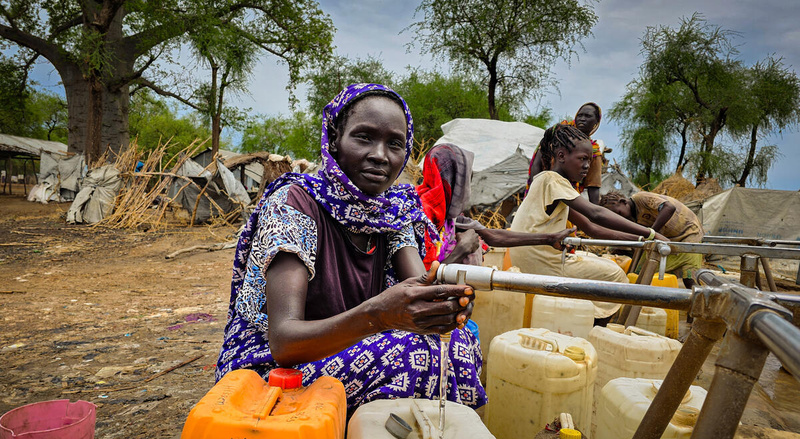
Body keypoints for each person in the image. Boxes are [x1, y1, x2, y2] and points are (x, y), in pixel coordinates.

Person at [216, 83, 487, 414]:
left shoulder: (392, 213)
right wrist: (377, 315)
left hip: (352, 343)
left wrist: (442, 306)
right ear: (334, 141)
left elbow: (419, 291)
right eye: (364, 137)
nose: (380, 154)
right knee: (411, 355)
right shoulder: (294, 204)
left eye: (395, 144)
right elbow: (284, 342)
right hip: (271, 368)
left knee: (459, 343)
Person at [510, 123, 664, 323]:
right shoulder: (552, 180)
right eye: (582, 159)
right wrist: (651, 233)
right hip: (541, 264)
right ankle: (593, 328)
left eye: (589, 161)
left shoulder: (547, 183)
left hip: (532, 260)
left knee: (599, 263)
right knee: (615, 275)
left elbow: (591, 229)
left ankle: (584, 320)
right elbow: (596, 214)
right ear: (562, 155)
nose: (587, 166)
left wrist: (640, 240)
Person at [416, 143, 575, 269]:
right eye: (466, 180)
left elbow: (493, 236)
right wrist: (461, 250)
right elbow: (417, 284)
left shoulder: (452, 218)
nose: (468, 188)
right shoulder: (418, 217)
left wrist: (549, 238)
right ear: (453, 180)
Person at [600, 191, 704, 287]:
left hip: (688, 232)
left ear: (623, 202)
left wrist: (652, 233)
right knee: (641, 272)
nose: (620, 218)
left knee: (689, 277)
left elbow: (669, 207)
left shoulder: (641, 198)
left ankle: (700, 304)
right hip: (667, 238)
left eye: (619, 213)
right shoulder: (632, 219)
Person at [527, 103, 605, 204]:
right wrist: (535, 191)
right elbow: (537, 162)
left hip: (569, 197)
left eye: (588, 116)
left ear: (596, 122)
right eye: (580, 115)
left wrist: (595, 215)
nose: (582, 119)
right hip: (544, 188)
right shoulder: (558, 135)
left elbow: (593, 187)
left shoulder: (594, 152)